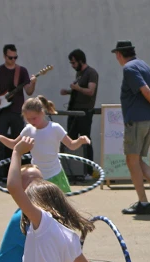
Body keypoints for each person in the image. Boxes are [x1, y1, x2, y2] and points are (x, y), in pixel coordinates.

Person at [112, 40, 150, 215]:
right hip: (146, 121)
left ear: (119, 55)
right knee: (137, 160)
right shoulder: (143, 65)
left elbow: (146, 90)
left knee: (132, 161)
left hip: (135, 121)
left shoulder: (129, 68)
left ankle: (143, 203)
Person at [0, 96, 91, 193]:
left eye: (34, 118)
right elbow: (14, 144)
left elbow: (71, 145)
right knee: (37, 206)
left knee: (59, 207)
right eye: (28, 119)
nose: (31, 121)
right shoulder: (28, 129)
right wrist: (0, 137)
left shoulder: (55, 128)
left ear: (42, 113)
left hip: (55, 174)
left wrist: (80, 140)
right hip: (36, 176)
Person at [0, 44, 37, 170]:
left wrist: (33, 83)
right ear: (4, 56)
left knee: (20, 142)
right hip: (2, 112)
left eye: (15, 57)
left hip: (18, 112)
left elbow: (29, 92)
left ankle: (21, 171)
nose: (13, 60)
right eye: (10, 58)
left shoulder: (22, 71)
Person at [60, 49, 98, 177]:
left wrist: (77, 88)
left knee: (85, 139)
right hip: (74, 111)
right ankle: (72, 170)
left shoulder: (91, 73)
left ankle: (89, 170)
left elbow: (90, 91)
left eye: (74, 63)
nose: (73, 66)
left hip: (84, 112)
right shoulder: (79, 74)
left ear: (81, 61)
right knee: (70, 139)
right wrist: (69, 92)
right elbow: (80, 91)